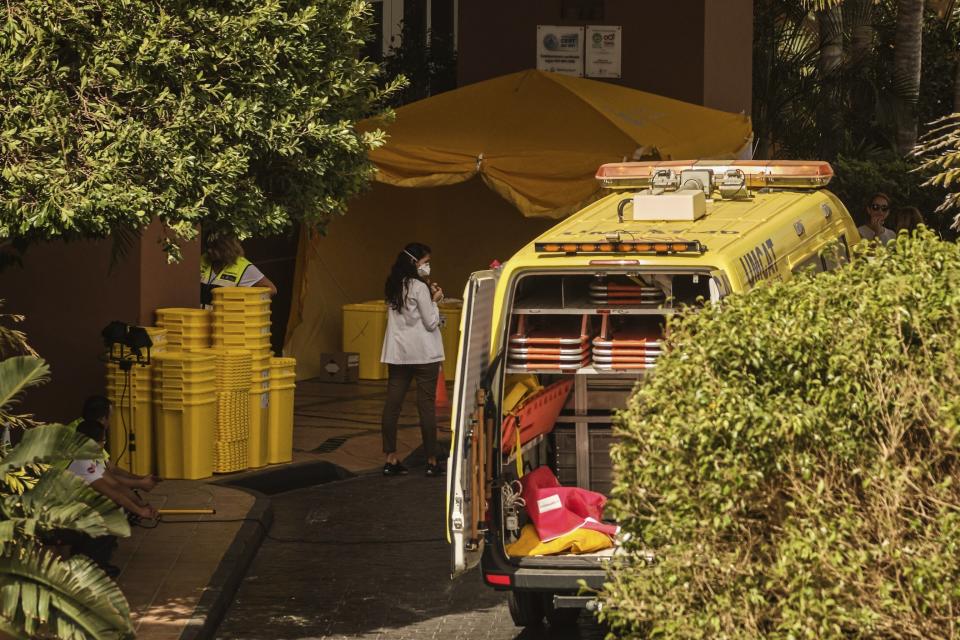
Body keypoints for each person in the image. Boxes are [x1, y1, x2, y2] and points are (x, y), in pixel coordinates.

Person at [380, 242, 446, 477]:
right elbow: (430, 322)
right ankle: (431, 461)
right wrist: (436, 299)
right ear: (414, 262)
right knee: (425, 406)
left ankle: (390, 458)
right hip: (424, 354)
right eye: (425, 262)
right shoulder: (419, 286)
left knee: (392, 404)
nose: (428, 266)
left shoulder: (393, 285)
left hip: (398, 354)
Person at [66, 417, 158, 576]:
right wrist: (140, 511)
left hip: (74, 511)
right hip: (64, 518)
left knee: (117, 510)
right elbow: (113, 494)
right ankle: (91, 566)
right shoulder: (81, 464)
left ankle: (91, 559)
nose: (104, 444)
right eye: (102, 440)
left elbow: (115, 484)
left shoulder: (87, 459)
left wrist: (140, 505)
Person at [81, 395, 161, 492]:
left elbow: (112, 468)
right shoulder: (86, 436)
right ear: (102, 419)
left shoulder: (90, 429)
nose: (110, 422)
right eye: (110, 417)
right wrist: (140, 484)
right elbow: (104, 477)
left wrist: (141, 478)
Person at [200, 232, 277, 309]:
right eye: (207, 247)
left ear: (226, 248)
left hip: (226, 319)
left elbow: (272, 290)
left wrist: (240, 303)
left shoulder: (243, 267)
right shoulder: (203, 260)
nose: (209, 251)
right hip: (201, 319)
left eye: (213, 247)